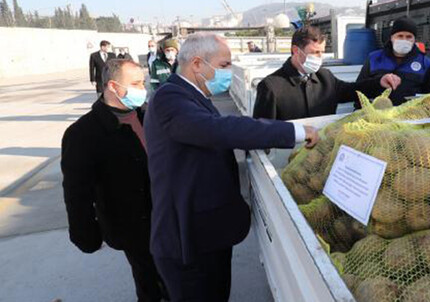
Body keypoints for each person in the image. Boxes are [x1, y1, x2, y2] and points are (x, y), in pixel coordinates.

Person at [143, 32, 319, 301]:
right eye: (224, 66)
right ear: (197, 64)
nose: (228, 72)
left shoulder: (192, 95)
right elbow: (219, 129)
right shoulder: (170, 98)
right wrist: (292, 131)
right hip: (187, 242)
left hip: (207, 234)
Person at [61, 59, 167, 301]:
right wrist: (86, 235)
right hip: (134, 227)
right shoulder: (83, 134)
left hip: (167, 216)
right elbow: (77, 193)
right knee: (151, 282)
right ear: (112, 86)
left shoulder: (148, 115)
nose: (143, 89)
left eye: (143, 82)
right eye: (136, 83)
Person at [253, 26, 401, 120]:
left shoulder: (325, 77)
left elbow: (351, 91)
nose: (319, 58)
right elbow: (263, 131)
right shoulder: (271, 87)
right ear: (296, 51)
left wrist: (379, 82)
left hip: (322, 153)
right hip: (286, 158)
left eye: (322, 52)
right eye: (314, 52)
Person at [355, 17, 430, 106]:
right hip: (378, 116)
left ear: (414, 39)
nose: (404, 40)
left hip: (409, 116)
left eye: (409, 37)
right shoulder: (374, 58)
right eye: (400, 36)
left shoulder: (425, 63)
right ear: (392, 37)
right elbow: (360, 89)